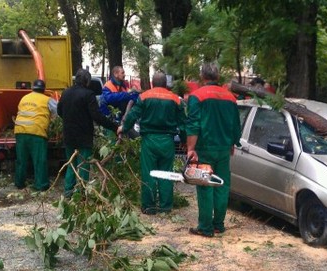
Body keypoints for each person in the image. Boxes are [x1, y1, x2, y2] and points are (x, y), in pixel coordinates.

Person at [117, 72, 186, 214]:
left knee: (149, 173)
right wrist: (185, 141)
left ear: (153, 83)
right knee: (166, 173)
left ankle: (149, 207)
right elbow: (183, 123)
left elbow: (133, 115)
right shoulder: (175, 99)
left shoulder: (144, 97)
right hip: (167, 141)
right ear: (165, 84)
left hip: (149, 140)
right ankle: (165, 206)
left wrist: (123, 128)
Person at [185, 63, 241, 237]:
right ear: (218, 77)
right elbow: (235, 124)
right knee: (222, 185)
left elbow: (193, 124)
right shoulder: (231, 98)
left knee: (205, 186)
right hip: (224, 148)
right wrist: (233, 143)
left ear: (203, 76)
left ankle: (205, 227)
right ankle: (218, 225)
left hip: (204, 148)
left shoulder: (197, 96)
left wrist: (190, 149)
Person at [57, 69, 119, 197]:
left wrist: (70, 120)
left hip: (68, 135)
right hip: (84, 136)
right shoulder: (88, 94)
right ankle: (81, 192)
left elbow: (59, 111)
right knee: (84, 165)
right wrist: (114, 127)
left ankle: (68, 192)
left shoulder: (66, 92)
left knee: (71, 164)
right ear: (87, 81)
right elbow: (96, 116)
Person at [14, 79, 57, 191]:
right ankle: (40, 185)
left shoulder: (24, 98)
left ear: (33, 88)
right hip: (36, 132)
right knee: (39, 160)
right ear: (43, 89)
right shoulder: (47, 100)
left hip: (20, 131)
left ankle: (19, 183)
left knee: (21, 160)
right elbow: (57, 111)